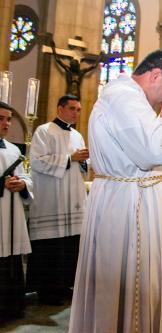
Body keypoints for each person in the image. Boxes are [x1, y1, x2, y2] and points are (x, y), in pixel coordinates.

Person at [69, 49, 162, 333]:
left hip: (133, 202)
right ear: (155, 75)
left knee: (136, 294)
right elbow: (152, 152)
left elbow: (150, 148)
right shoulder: (124, 96)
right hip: (124, 208)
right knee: (121, 297)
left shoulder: (130, 99)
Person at [27, 94, 88, 305]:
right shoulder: (44, 131)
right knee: (51, 246)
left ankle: (64, 286)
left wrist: (83, 162)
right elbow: (37, 161)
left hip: (73, 199)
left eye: (79, 109)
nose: (76, 113)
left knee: (70, 245)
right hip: (51, 199)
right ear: (59, 108)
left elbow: (82, 168)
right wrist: (71, 158)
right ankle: (46, 290)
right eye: (72, 108)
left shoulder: (78, 135)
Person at [0, 102, 33, 322]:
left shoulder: (13, 150)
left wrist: (22, 184)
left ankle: (11, 307)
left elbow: (27, 177)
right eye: (1, 118)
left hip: (10, 214)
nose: (6, 123)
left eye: (9, 119)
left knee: (10, 259)